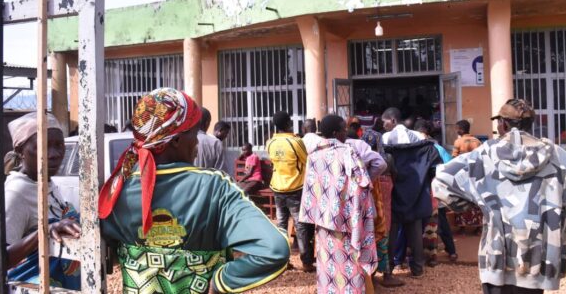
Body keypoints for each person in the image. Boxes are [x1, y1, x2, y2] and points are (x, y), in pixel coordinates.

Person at [99, 88, 289, 293]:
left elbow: (106, 249)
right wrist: (219, 282)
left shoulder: (117, 190)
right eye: (194, 132)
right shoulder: (216, 188)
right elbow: (274, 249)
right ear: (177, 140)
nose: (198, 141)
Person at [433, 99, 566, 294]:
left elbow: (442, 181)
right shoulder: (557, 156)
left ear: (503, 124)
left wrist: (472, 203)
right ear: (530, 124)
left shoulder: (485, 154)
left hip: (497, 255)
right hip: (536, 259)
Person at [300, 114, 377, 294]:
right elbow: (362, 186)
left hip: (323, 225)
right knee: (349, 267)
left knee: (328, 268)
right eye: (344, 130)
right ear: (336, 133)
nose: (346, 133)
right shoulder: (347, 153)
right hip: (347, 224)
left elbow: (312, 188)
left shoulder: (313, 156)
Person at [5, 112, 81, 289]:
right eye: (42, 146)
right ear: (20, 151)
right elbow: (3, 259)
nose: (54, 154)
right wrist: (44, 232)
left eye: (59, 145)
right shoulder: (17, 192)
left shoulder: (47, 184)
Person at [381, 107, 441, 278]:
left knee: (391, 232)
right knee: (414, 232)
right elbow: (433, 164)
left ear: (393, 121)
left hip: (394, 191)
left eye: (384, 122)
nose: (383, 125)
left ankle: (389, 269)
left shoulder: (386, 138)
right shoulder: (417, 137)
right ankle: (417, 268)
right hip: (415, 191)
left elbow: (383, 164)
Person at [345, 127, 402, 287]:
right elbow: (382, 165)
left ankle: (361, 276)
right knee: (379, 233)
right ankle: (382, 274)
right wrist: (367, 179)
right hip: (371, 203)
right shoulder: (374, 155)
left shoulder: (339, 150)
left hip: (347, 202)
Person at [265, 111, 315, 272]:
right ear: (288, 123)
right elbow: (307, 161)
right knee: (300, 227)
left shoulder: (270, 143)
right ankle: (306, 263)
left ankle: (283, 262)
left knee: (281, 225)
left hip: (277, 188)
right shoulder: (295, 142)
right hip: (295, 188)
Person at [414, 119, 457, 265]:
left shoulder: (418, 147)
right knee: (439, 223)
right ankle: (450, 251)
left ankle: (434, 254)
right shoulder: (437, 148)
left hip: (427, 190)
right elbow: (449, 165)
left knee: (434, 222)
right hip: (435, 189)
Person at [452, 119, 483, 234]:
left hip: (462, 175)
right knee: (476, 200)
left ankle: (462, 227)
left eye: (457, 128)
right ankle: (478, 227)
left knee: (461, 199)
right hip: (475, 175)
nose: (456, 130)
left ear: (461, 129)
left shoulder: (458, 142)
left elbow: (454, 158)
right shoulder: (477, 141)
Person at [193, 107, 227, 175]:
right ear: (207, 123)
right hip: (209, 184)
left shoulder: (182, 141)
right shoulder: (216, 143)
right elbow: (221, 172)